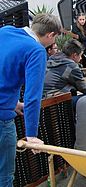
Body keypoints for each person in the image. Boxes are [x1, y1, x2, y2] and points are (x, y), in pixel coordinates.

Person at [0, 13, 62, 186]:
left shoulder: (5, 31)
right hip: (1, 119)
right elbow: (33, 96)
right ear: (50, 35)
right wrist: (31, 135)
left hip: (6, 105)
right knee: (4, 175)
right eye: (54, 39)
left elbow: (4, 71)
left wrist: (13, 103)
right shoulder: (36, 51)